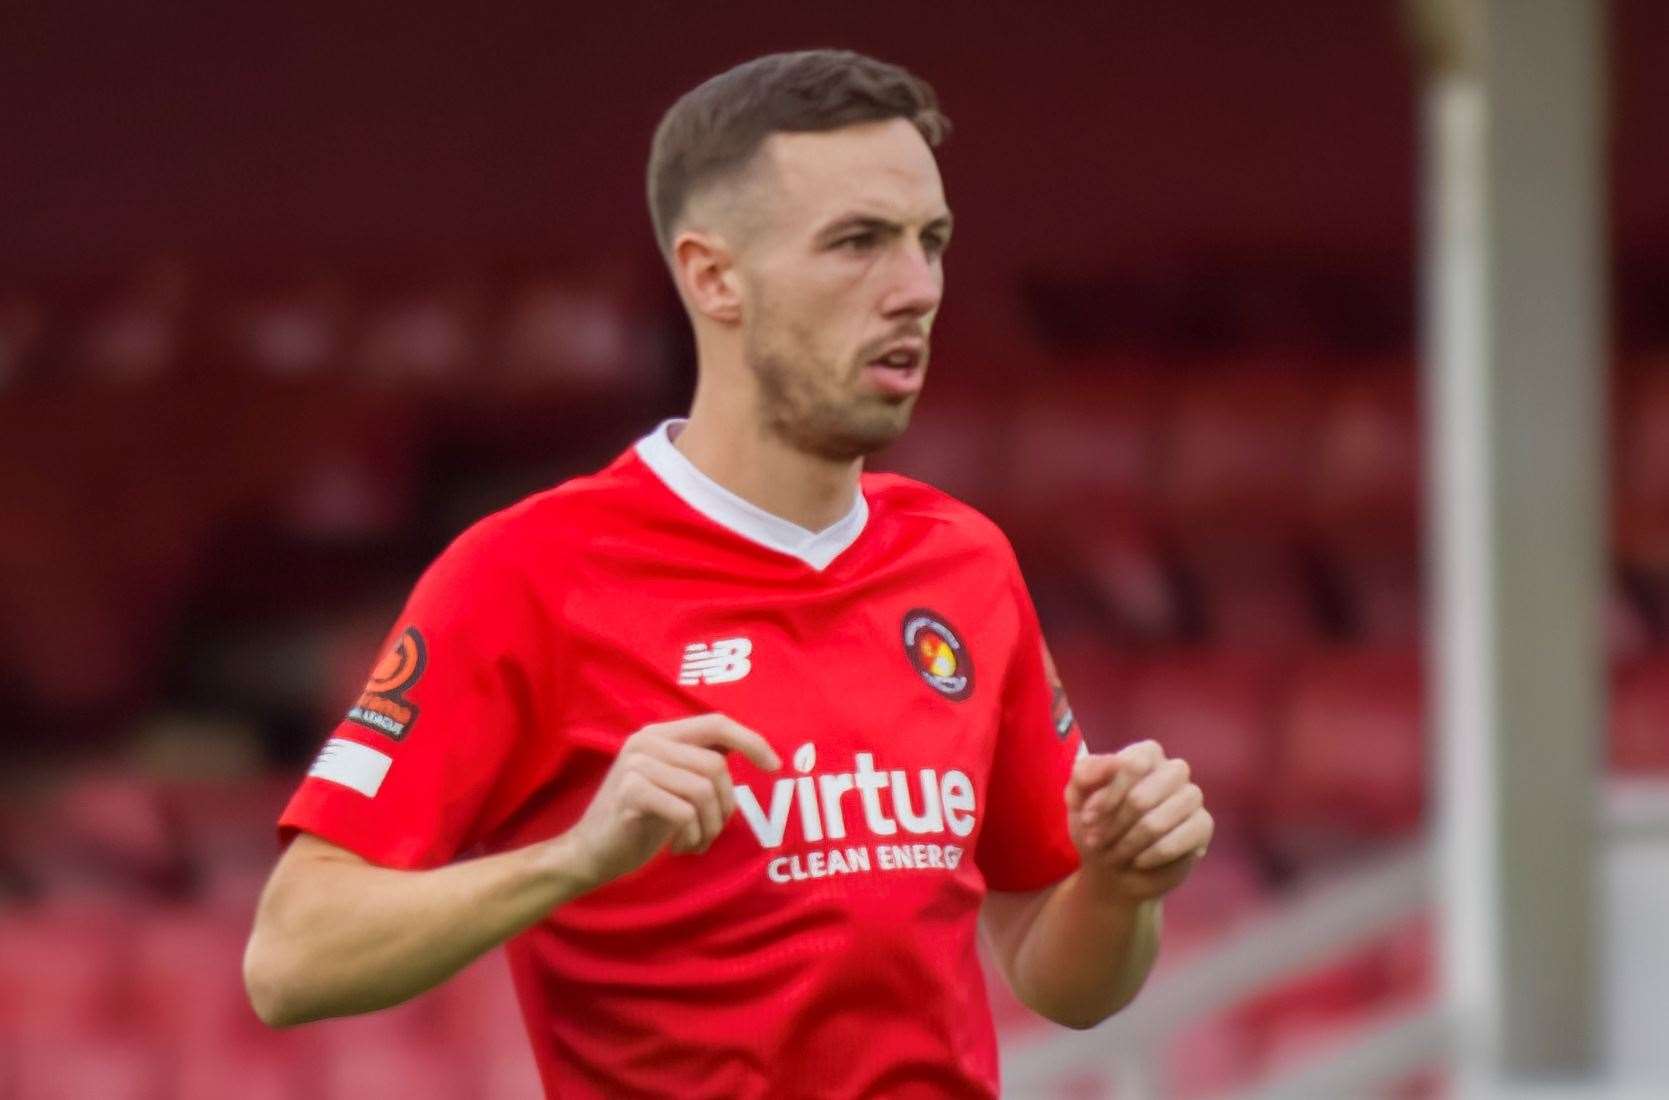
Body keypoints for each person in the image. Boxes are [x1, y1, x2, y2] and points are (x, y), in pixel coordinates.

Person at [244, 48, 1214, 1099]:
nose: (916, 288)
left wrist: (1119, 888)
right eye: (858, 243)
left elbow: (1055, 968)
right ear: (714, 277)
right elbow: (291, 957)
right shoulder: (526, 573)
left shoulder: (964, 559)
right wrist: (574, 858)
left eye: (929, 241)